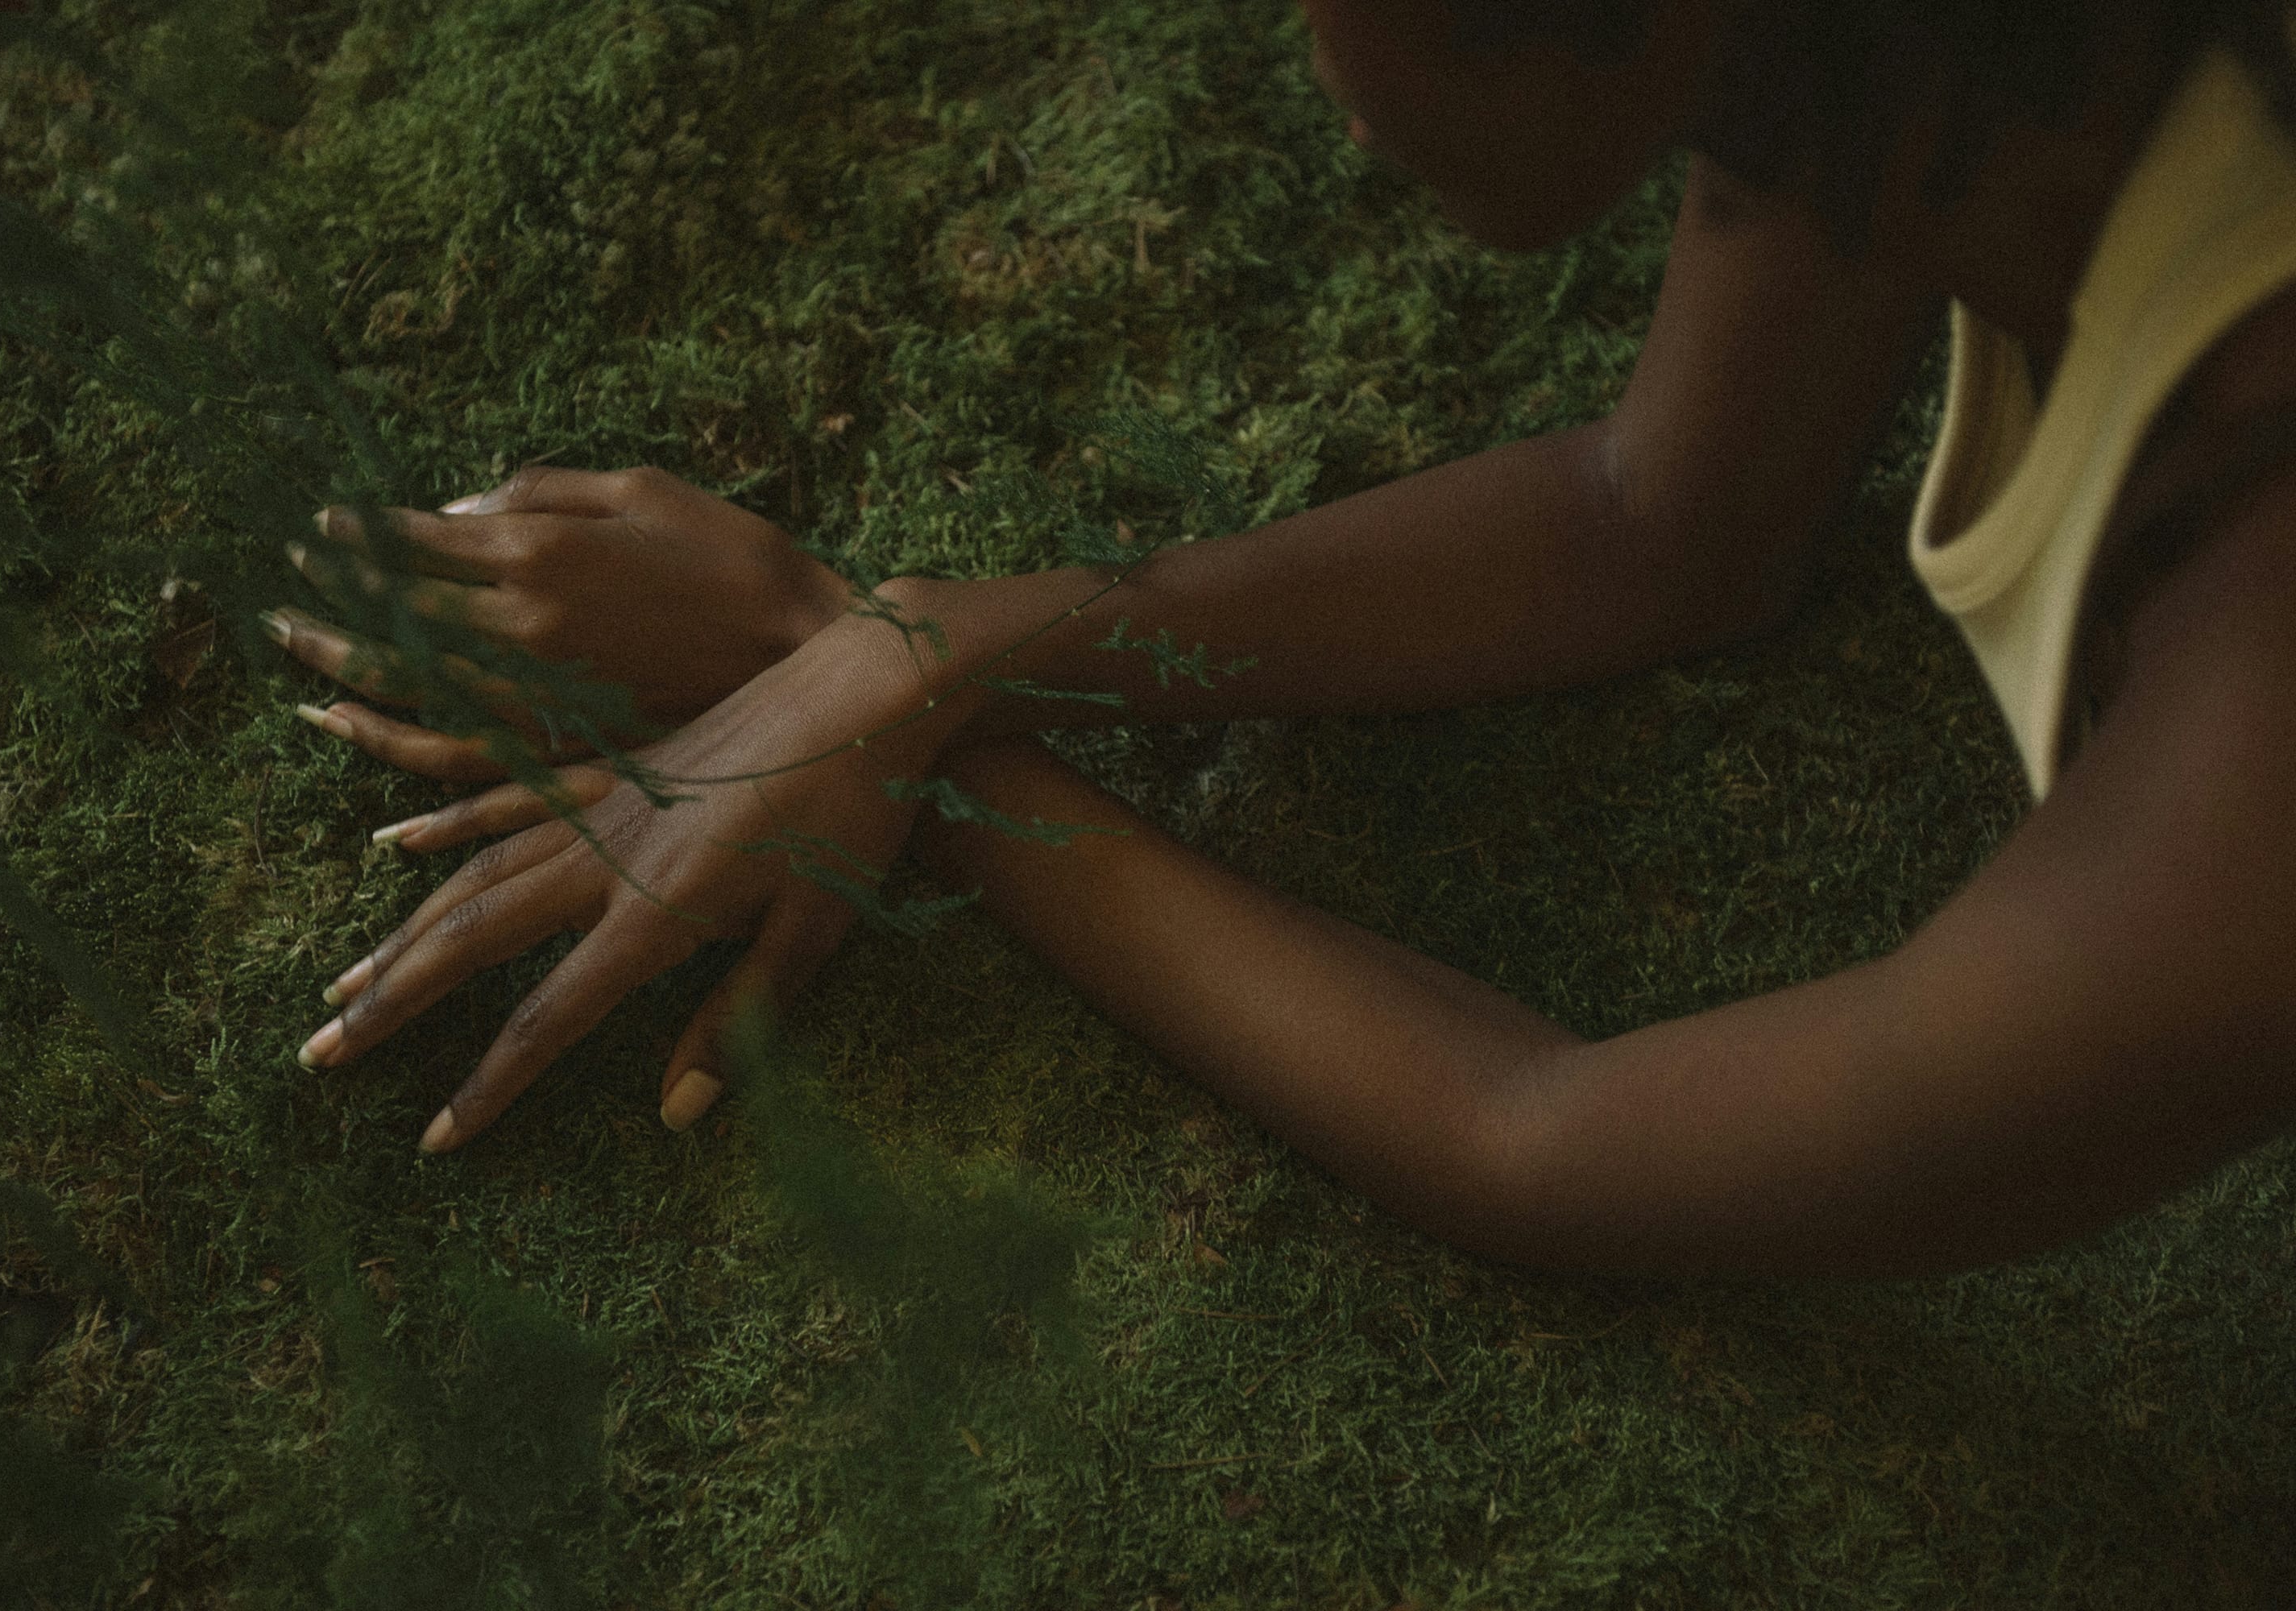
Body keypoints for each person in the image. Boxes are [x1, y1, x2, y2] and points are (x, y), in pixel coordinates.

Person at [262, 0, 2296, 1278]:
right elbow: (1666, 526)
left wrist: (902, 723)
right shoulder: (1922, 62)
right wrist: (913, 659)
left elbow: (1554, 1144)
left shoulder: (2251, 750)